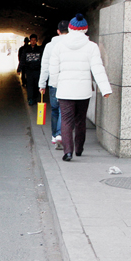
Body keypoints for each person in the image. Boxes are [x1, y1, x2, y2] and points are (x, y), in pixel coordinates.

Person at [49, 13, 112, 162]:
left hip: (64, 90)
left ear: (70, 28)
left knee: (66, 121)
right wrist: (105, 89)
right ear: (85, 30)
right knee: (80, 120)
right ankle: (79, 149)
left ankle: (68, 151)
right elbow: (98, 68)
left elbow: (53, 68)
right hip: (83, 91)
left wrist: (55, 84)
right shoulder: (91, 47)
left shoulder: (59, 45)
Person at [39, 20, 69, 150]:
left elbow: (44, 66)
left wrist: (42, 85)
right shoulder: (71, 44)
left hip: (53, 82)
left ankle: (54, 135)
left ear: (58, 31)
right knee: (64, 109)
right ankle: (59, 134)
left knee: (55, 109)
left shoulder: (50, 46)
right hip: (67, 81)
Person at [17, 34, 44, 105]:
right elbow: (22, 59)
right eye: (32, 40)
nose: (33, 42)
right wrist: (19, 69)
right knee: (29, 85)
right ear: (30, 41)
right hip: (29, 71)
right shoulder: (26, 50)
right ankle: (30, 99)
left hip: (37, 70)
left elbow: (43, 60)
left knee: (36, 85)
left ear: (36, 41)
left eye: (34, 40)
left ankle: (35, 97)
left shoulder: (40, 50)